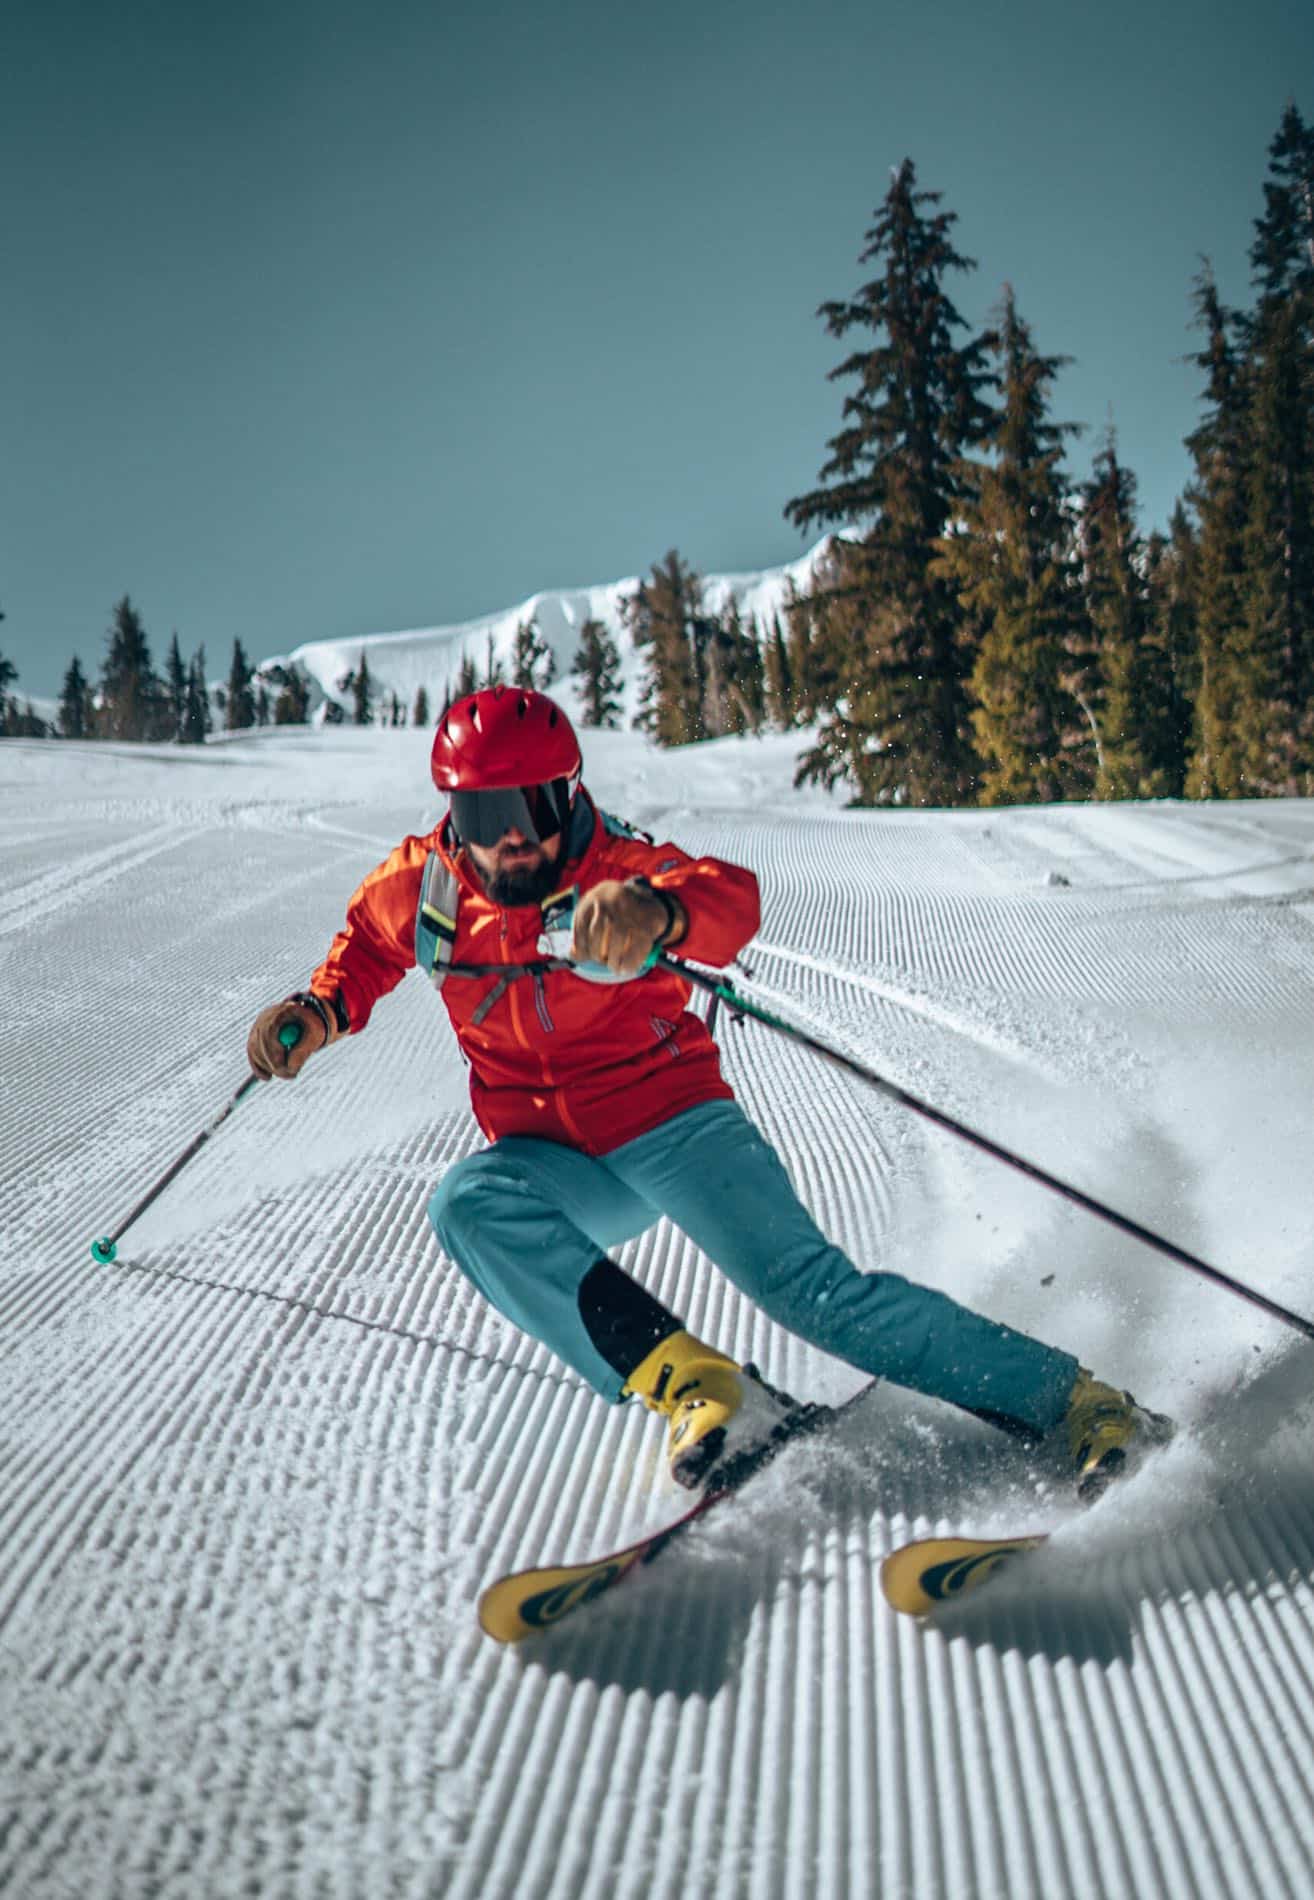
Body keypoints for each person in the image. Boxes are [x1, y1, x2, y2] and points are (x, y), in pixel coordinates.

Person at [248, 685, 1171, 1497]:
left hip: (672, 1122)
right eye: (485, 817)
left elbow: (730, 900)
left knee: (818, 1298)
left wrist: (660, 913)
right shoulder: (421, 888)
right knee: (467, 1204)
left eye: (529, 806)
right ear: (454, 814)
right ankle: (705, 1387)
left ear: (565, 793)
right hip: (554, 1156)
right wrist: (320, 1009)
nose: (513, 838)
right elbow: (366, 945)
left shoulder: (616, 870)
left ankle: (1079, 1402)